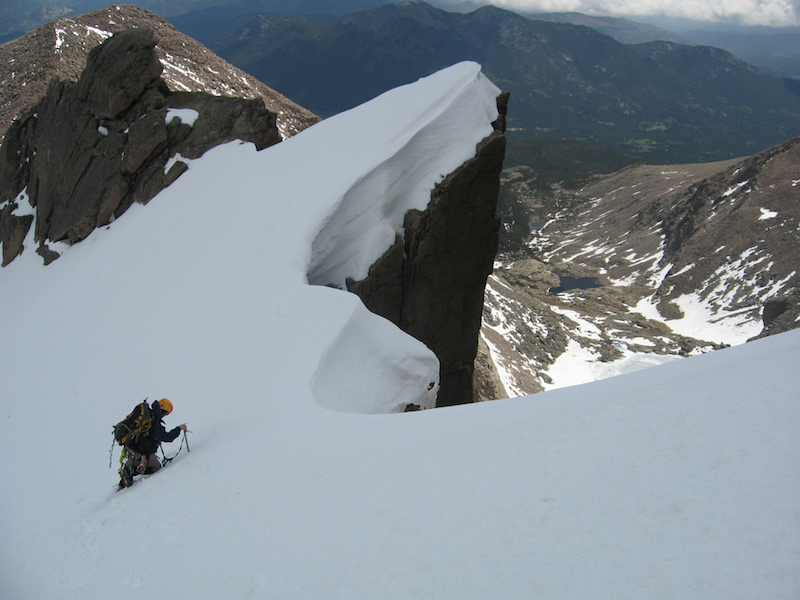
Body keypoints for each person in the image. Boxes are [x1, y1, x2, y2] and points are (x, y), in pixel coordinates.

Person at [118, 398, 188, 489]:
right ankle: (127, 474)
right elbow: (167, 437)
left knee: (140, 465)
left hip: (134, 447)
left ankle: (126, 476)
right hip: (140, 450)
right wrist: (179, 428)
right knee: (156, 468)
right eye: (166, 413)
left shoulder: (149, 416)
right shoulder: (154, 421)